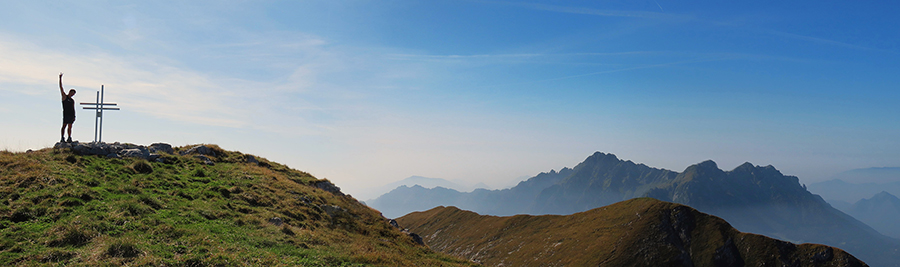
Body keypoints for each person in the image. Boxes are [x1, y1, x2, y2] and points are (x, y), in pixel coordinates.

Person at [59, 73, 76, 143]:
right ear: (70, 92)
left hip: (71, 115)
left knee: (70, 126)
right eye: (72, 93)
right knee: (64, 126)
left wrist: (74, 116)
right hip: (66, 114)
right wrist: (60, 78)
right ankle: (62, 137)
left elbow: (73, 108)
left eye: (73, 94)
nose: (72, 95)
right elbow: (61, 87)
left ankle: (69, 137)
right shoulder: (64, 97)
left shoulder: (72, 100)